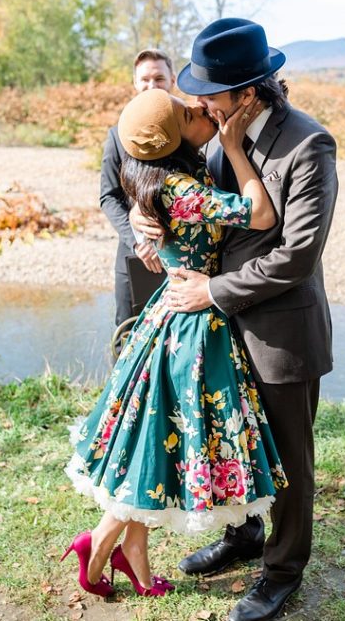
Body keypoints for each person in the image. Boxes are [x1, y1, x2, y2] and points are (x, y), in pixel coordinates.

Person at [132, 18, 338, 621]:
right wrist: (151, 223)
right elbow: (180, 191)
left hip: (280, 332)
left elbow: (298, 255)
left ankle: (281, 572)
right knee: (233, 437)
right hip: (217, 331)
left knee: (289, 462)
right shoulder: (216, 133)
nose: (198, 102)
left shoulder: (308, 144)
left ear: (247, 93)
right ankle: (242, 535)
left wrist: (213, 292)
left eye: (210, 93)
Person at [63, 88, 287, 599]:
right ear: (172, 139)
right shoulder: (180, 188)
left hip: (170, 312)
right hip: (189, 323)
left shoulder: (153, 177)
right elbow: (261, 216)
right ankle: (100, 544)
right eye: (189, 113)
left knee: (152, 438)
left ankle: (126, 549)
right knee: (161, 437)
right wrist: (232, 146)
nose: (201, 110)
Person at [99, 49, 176, 328]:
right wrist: (138, 240)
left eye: (159, 78)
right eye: (144, 79)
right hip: (135, 258)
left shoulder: (191, 130)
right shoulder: (117, 134)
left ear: (172, 80)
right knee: (127, 337)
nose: (151, 86)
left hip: (185, 262)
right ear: (135, 83)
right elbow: (108, 196)